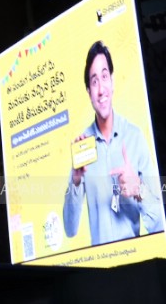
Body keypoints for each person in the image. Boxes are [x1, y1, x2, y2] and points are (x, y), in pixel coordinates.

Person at [63, 41, 164, 244]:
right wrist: (75, 180)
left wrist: (139, 190)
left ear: (113, 81)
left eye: (104, 76)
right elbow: (70, 229)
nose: (101, 89)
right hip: (99, 269)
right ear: (88, 93)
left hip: (134, 265)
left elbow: (160, 224)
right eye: (94, 81)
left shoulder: (135, 138)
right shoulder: (83, 147)